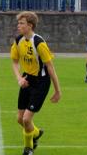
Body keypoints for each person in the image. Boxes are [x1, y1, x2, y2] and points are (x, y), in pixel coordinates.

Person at [11, 11, 61, 155]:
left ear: (30, 26)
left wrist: (57, 91)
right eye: (18, 23)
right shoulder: (18, 40)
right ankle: (36, 133)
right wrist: (19, 79)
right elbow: (14, 62)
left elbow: (50, 67)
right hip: (27, 79)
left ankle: (29, 148)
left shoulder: (39, 43)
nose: (18, 25)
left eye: (21, 23)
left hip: (41, 82)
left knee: (27, 119)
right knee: (20, 119)